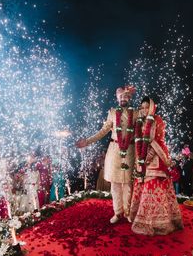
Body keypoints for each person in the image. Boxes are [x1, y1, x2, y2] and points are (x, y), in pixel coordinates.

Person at [76, 86, 137, 224]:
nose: (123, 99)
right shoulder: (112, 112)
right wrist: (87, 141)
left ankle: (128, 212)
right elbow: (103, 131)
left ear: (130, 98)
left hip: (130, 149)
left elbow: (142, 131)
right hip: (114, 149)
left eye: (126, 96)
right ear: (118, 99)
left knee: (128, 183)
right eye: (121, 97)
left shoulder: (136, 113)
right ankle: (117, 212)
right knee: (115, 184)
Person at [129, 97, 183, 235]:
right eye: (142, 107)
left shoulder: (157, 120)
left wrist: (147, 157)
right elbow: (139, 141)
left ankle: (161, 222)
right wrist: (140, 159)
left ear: (152, 107)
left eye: (147, 107)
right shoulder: (139, 122)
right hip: (142, 160)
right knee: (143, 187)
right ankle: (143, 220)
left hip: (156, 158)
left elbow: (157, 140)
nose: (145, 110)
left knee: (154, 188)